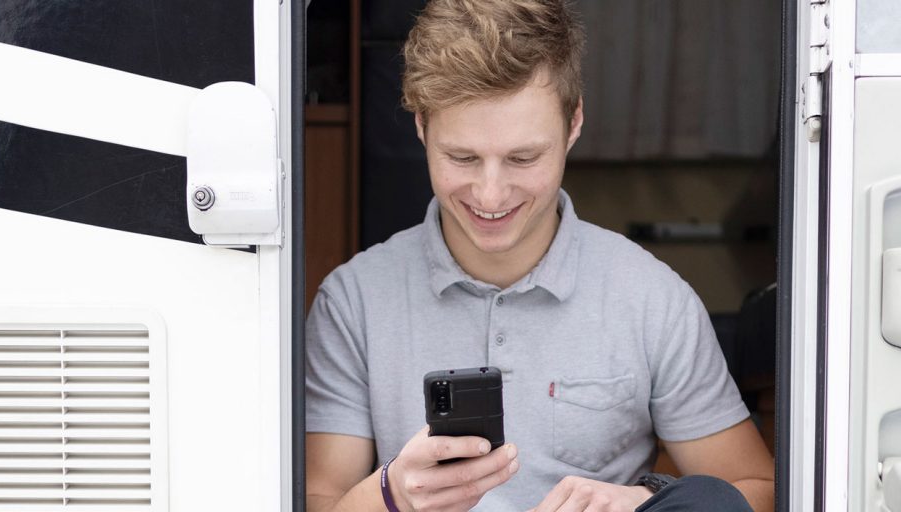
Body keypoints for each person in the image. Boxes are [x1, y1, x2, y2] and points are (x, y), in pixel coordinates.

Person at [304, 0, 775, 510]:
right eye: (462, 157)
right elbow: (318, 500)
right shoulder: (354, 300)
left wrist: (643, 499)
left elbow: (757, 490)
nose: (490, 194)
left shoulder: (652, 297)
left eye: (523, 158)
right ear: (421, 127)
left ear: (574, 123)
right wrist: (392, 493)